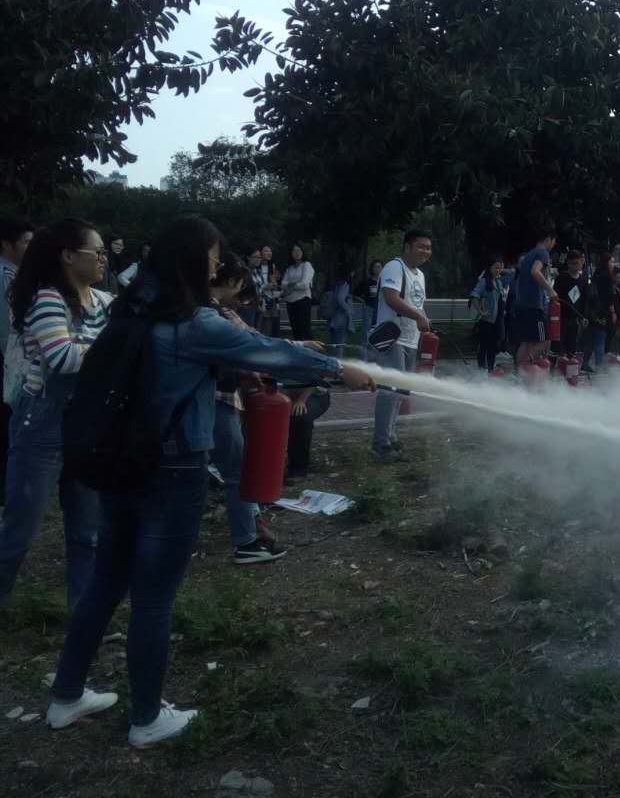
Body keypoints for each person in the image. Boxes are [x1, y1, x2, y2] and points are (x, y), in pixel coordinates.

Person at [45, 215, 374, 747]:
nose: (218, 269)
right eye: (215, 261)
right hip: (173, 469)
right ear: (195, 263)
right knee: (153, 597)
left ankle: (65, 696)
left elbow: (237, 351)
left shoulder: (131, 309)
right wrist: (338, 369)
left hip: (121, 463)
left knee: (107, 581)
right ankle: (147, 719)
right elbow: (271, 352)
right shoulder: (193, 323)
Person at [0, 219, 110, 609]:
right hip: (43, 423)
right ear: (67, 256)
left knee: (87, 531)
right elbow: (62, 358)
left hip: (86, 423)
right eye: (97, 251)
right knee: (20, 529)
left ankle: (83, 616)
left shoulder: (103, 301)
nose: (103, 258)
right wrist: (112, 350)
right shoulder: (48, 298)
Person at [209, 256, 285, 565]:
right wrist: (302, 351)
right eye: (240, 290)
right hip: (217, 401)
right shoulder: (215, 316)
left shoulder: (210, 311)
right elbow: (255, 347)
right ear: (230, 282)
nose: (241, 301)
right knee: (237, 471)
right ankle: (247, 542)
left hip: (220, 399)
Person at [371, 231, 432, 464]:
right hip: (392, 339)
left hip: (410, 339)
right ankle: (381, 445)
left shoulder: (420, 275)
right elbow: (391, 297)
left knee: (400, 393)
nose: (426, 251)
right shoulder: (394, 267)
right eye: (421, 246)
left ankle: (390, 436)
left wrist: (423, 320)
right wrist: (418, 316)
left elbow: (417, 304)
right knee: (390, 391)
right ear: (407, 247)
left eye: (428, 247)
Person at [0, 217, 35, 508]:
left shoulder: (18, 275)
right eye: (26, 242)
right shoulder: (5, 277)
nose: (31, 247)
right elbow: (6, 330)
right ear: (7, 244)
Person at [511, 226, 558, 369]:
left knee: (527, 342)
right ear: (548, 239)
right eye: (554, 241)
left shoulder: (529, 255)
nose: (554, 245)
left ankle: (519, 372)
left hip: (522, 304)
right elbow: (535, 272)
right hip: (533, 305)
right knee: (545, 340)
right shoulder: (543, 253)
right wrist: (550, 290)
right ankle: (525, 365)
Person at [469, 257, 506, 372]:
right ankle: (482, 369)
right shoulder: (484, 282)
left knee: (494, 345)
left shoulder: (499, 282)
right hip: (486, 320)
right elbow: (474, 296)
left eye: (500, 268)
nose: (498, 270)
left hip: (497, 319)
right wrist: (480, 311)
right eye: (496, 267)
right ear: (490, 268)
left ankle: (490, 368)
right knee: (484, 345)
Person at [582, 253, 615, 374]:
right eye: (611, 262)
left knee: (591, 339)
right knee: (600, 340)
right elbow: (609, 298)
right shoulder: (607, 277)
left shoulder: (596, 275)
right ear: (606, 263)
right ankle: (599, 367)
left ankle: (584, 364)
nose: (613, 264)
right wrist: (613, 312)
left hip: (592, 312)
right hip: (602, 313)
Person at [553, 250, 589, 360]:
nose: (576, 266)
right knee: (559, 347)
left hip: (575, 319)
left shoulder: (583, 280)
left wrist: (583, 316)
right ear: (568, 263)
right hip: (561, 318)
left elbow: (584, 300)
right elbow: (555, 298)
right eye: (573, 263)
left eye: (578, 263)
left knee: (572, 348)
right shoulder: (561, 278)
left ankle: (570, 366)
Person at [281, 243, 315, 341]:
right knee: (295, 331)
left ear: (302, 252)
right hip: (290, 302)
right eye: (294, 250)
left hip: (303, 300)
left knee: (305, 330)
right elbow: (283, 284)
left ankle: (310, 349)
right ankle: (298, 349)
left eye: (299, 250)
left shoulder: (307, 265)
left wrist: (291, 285)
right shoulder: (289, 268)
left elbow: (305, 284)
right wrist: (294, 284)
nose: (296, 253)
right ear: (291, 253)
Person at [360, 259, 383, 360]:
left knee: (378, 334)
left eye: (379, 267)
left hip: (380, 310)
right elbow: (355, 293)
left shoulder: (384, 282)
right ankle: (364, 359)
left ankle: (376, 359)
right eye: (375, 267)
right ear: (372, 269)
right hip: (369, 309)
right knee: (366, 334)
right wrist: (364, 301)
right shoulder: (368, 282)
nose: (378, 269)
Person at [327, 271, 355, 353]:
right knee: (340, 343)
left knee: (333, 343)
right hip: (341, 316)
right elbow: (340, 298)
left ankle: (332, 359)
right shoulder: (345, 285)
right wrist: (349, 310)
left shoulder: (336, 285)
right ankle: (338, 360)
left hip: (333, 316)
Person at [257, 245, 282, 337]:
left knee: (269, 326)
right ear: (260, 253)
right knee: (259, 325)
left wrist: (275, 284)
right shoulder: (257, 267)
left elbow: (275, 284)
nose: (269, 253)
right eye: (266, 251)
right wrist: (265, 287)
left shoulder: (272, 267)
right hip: (260, 299)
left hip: (271, 299)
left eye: (270, 251)